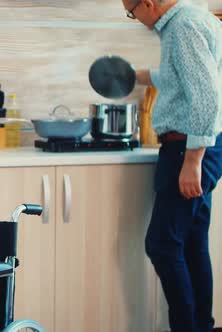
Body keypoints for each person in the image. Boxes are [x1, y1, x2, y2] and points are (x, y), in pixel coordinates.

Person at [122, 0, 222, 330]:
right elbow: (182, 78)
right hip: (195, 146)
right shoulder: (192, 19)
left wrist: (193, 160)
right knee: (192, 244)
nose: (133, 18)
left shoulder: (181, 27)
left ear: (147, 4)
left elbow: (207, 94)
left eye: (131, 11)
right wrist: (135, 75)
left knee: (163, 244)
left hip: (188, 148)